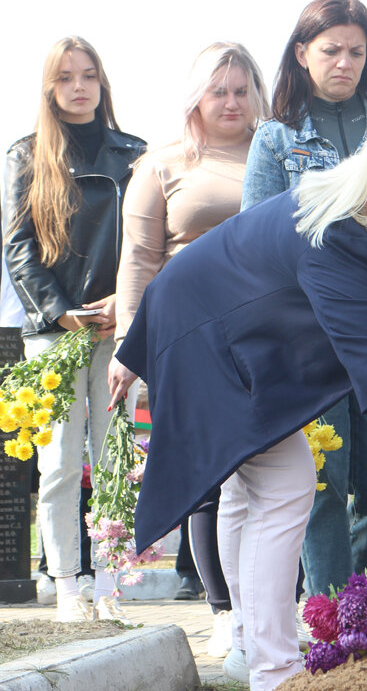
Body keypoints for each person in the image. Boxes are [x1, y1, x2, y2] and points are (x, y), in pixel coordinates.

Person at [109, 104, 367, 691]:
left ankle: (248, 647)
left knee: (250, 489)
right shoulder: (339, 236)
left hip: (245, 335)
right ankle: (275, 670)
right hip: (202, 330)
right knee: (286, 480)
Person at [240, 0, 367, 605]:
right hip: (308, 336)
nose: (345, 63)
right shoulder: (275, 138)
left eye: (357, 52)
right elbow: (256, 241)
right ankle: (335, 615)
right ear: (301, 54)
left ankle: (357, 597)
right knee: (323, 483)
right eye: (331, 50)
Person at [108, 41, 269, 658]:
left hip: (269, 334)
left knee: (272, 476)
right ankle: (223, 612)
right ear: (195, 97)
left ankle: (269, 608)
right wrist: (129, 345)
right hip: (187, 334)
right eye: (217, 90)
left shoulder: (278, 154)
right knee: (209, 476)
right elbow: (139, 260)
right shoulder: (161, 164)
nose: (230, 102)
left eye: (241, 90)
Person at [2, 36, 145, 623]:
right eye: (65, 77)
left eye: (88, 75)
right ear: (49, 87)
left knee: (114, 458)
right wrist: (61, 312)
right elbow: (18, 247)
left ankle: (109, 581)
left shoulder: (134, 154)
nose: (79, 87)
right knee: (59, 463)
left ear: (102, 83)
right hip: (54, 332)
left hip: (116, 327)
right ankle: (65, 582)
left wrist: (124, 304)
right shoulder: (26, 155)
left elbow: (147, 241)